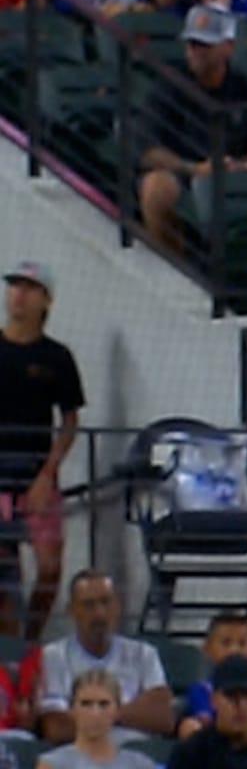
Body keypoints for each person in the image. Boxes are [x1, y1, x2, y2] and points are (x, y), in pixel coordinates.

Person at [135, 4, 247, 252]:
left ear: (228, 47)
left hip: (233, 178)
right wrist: (196, 169)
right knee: (155, 186)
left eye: (204, 45)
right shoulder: (170, 83)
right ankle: (169, 268)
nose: (194, 52)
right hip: (185, 173)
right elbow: (148, 151)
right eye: (191, 44)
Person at [0, 261, 81, 642]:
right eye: (15, 286)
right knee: (4, 574)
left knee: (49, 569)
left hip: (37, 475)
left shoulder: (57, 357)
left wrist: (47, 474)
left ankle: (31, 640)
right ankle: (10, 650)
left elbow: (70, 420)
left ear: (46, 300)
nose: (19, 295)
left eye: (29, 288)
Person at [38, 571, 174, 744]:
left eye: (106, 602)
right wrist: (132, 711)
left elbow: (163, 717)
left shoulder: (144, 654)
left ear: (118, 606)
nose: (100, 613)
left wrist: (93, 715)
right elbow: (56, 728)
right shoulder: (53, 656)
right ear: (71, 610)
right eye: (89, 605)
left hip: (137, 753)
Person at [177, 612, 247, 739]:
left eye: (242, 643)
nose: (235, 650)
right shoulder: (201, 690)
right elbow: (206, 726)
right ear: (207, 649)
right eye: (226, 643)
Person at [38, 670, 158, 769]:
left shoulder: (141, 765)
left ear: (117, 710)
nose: (95, 713)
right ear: (72, 710)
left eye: (104, 704)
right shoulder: (52, 764)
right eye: (86, 704)